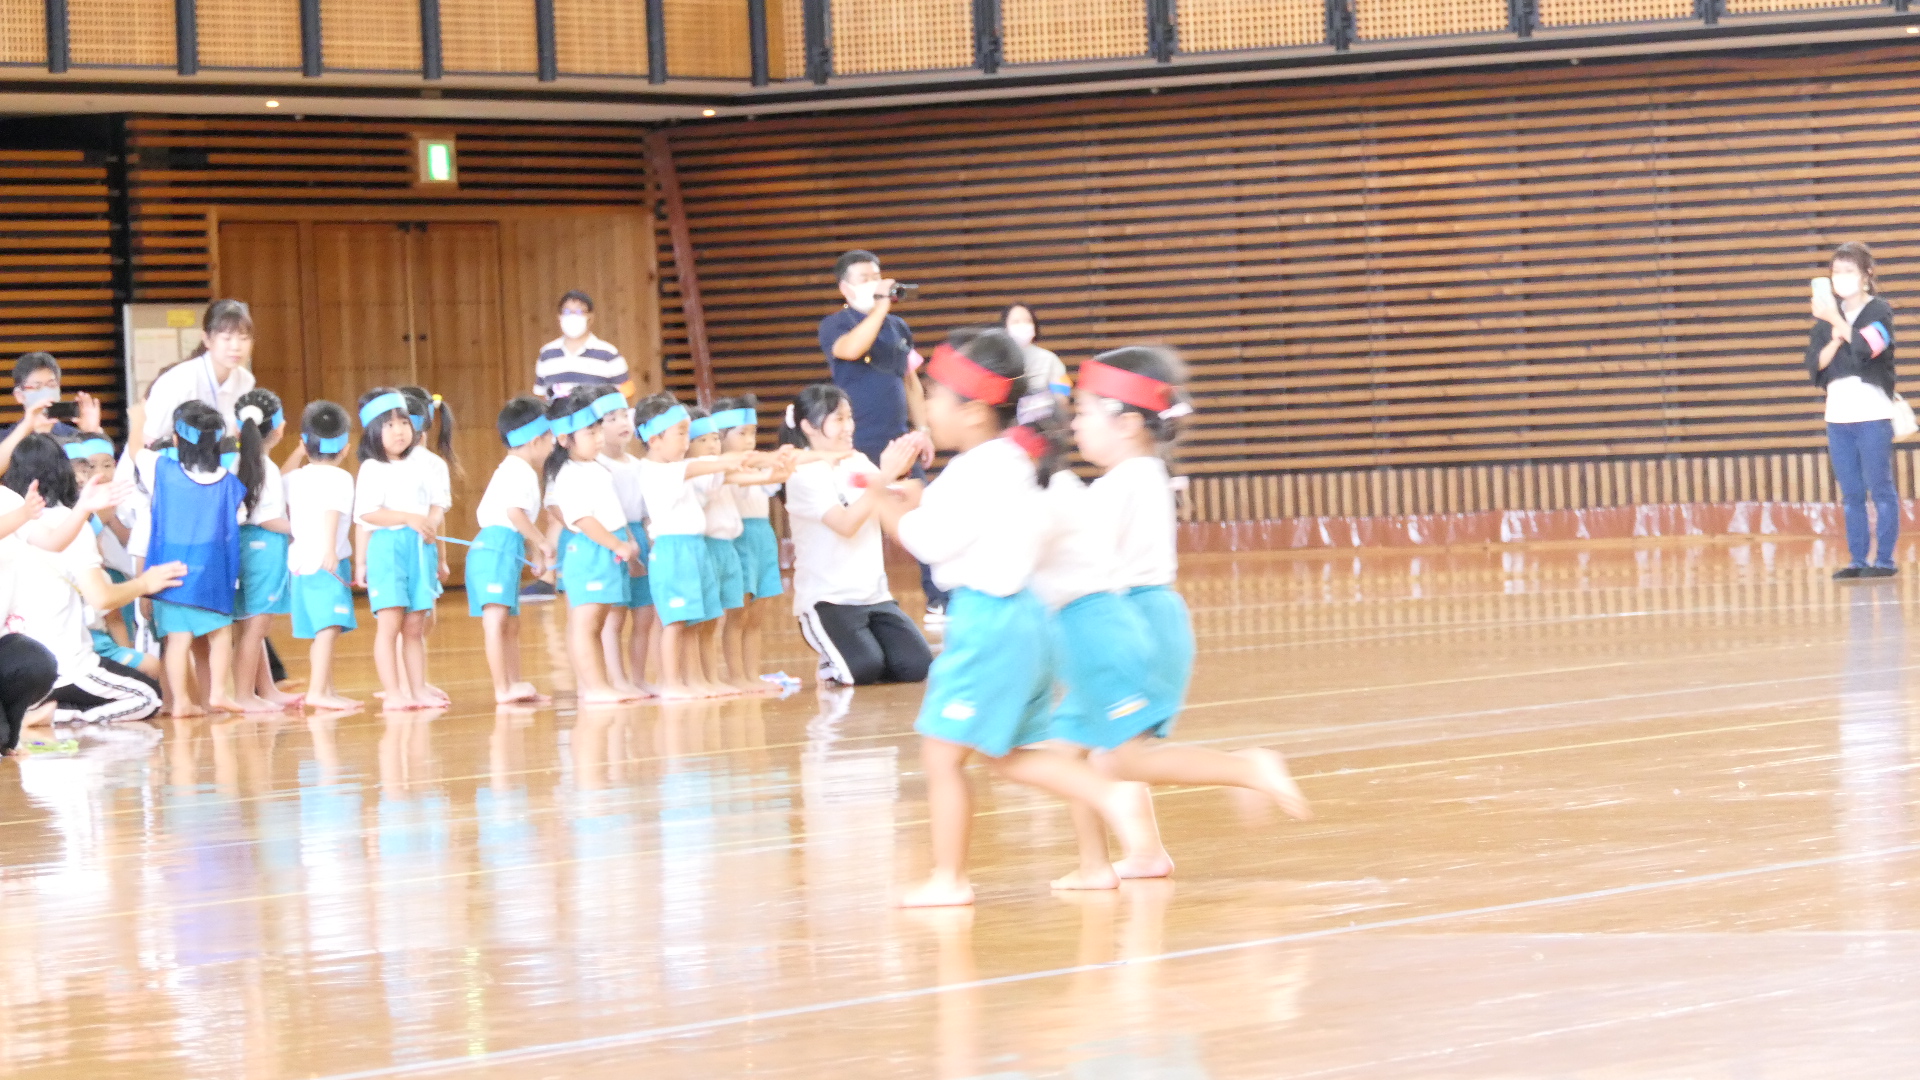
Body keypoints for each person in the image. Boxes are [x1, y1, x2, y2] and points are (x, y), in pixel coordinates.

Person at [864, 328, 1159, 908]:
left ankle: (951, 878)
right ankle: (1106, 798)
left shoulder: (975, 469)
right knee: (1005, 754)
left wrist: (876, 495)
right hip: (1026, 621)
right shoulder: (1014, 460)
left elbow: (928, 541)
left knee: (942, 754)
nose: (926, 407)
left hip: (989, 622)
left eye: (934, 395)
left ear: (973, 410)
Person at [1045, 346, 1310, 890]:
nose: (1075, 423)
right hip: (1136, 622)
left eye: (1084, 411)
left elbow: (1077, 556)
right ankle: (1136, 855)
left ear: (1127, 423)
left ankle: (1246, 769)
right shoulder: (1141, 475)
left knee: (1090, 755)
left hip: (1128, 626)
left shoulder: (1124, 483)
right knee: (1099, 752)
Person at [3, 435, 184, 725]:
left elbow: (53, 541)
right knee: (148, 697)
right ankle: (58, 716)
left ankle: (33, 712)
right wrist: (145, 583)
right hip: (65, 663)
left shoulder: (14, 519)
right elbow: (101, 599)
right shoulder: (61, 522)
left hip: (18, 666)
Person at [819, 250, 949, 623]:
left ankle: (939, 599)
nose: (874, 283)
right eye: (864, 278)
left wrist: (923, 429)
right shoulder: (835, 324)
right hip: (856, 443)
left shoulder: (898, 327)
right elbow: (851, 349)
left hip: (898, 438)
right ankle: (861, 602)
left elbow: (911, 382)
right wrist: (879, 308)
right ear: (845, 288)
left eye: (877, 276)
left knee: (923, 511)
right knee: (862, 518)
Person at [778, 384, 932, 686]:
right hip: (828, 601)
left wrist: (902, 478)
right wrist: (884, 478)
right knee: (863, 669)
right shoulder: (801, 473)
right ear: (808, 426)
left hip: (875, 596)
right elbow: (846, 524)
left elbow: (895, 498)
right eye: (838, 419)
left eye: (849, 417)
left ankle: (857, 651)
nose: (848, 426)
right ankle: (833, 660)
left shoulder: (856, 460)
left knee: (917, 666)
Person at [630, 394, 778, 699]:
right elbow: (712, 466)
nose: (687, 441)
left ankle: (699, 680)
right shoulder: (657, 469)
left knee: (699, 620)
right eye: (682, 433)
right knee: (676, 622)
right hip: (673, 550)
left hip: (694, 547)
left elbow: (721, 471)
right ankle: (672, 682)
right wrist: (742, 458)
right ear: (654, 439)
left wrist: (765, 466)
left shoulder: (678, 467)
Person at [133, 401, 248, 718]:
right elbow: (239, 517)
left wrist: (138, 419)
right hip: (212, 572)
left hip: (169, 570)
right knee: (221, 634)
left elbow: (134, 451)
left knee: (177, 640)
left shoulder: (161, 470)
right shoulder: (229, 482)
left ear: (176, 439)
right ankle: (218, 692)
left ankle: (181, 701)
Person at [545, 386, 649, 704]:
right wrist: (618, 545)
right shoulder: (569, 474)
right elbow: (584, 519)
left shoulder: (594, 467)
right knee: (586, 624)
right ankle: (593, 687)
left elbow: (612, 512)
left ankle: (601, 684)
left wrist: (626, 540)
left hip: (607, 551)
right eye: (590, 433)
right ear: (565, 439)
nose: (598, 438)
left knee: (599, 621)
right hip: (591, 552)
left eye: (597, 430)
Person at [1807, 242, 1900, 581]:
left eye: (1848, 271)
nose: (1840, 278)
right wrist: (1834, 334)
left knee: (1881, 488)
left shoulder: (1879, 310)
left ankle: (1884, 560)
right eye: (1836, 271)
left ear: (1866, 275)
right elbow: (1815, 365)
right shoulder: (1824, 322)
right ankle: (1857, 559)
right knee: (1852, 493)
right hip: (1838, 418)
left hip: (1872, 415)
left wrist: (1837, 321)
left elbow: (1868, 347)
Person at [353, 389, 439, 710]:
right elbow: (367, 514)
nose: (399, 430)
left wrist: (427, 525)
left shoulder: (421, 465)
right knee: (390, 626)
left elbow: (433, 506)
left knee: (414, 626)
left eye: (403, 422)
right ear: (373, 431)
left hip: (419, 549)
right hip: (388, 549)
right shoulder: (372, 468)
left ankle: (417, 690)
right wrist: (407, 518)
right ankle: (393, 693)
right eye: (389, 425)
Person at [470, 396, 558, 705]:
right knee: (496, 620)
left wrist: (531, 553)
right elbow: (515, 513)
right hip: (495, 548)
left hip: (506, 547)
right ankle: (502, 687)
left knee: (510, 622)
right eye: (550, 438)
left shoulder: (518, 469)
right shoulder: (519, 471)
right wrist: (542, 542)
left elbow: (519, 521)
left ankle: (514, 683)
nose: (554, 444)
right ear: (535, 441)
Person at [283, 401, 360, 711]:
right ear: (346, 448)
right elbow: (333, 510)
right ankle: (318, 691)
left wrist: (297, 453)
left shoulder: (295, 478)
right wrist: (330, 548)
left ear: (304, 443)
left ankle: (326, 690)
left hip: (300, 564)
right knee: (329, 627)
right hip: (327, 563)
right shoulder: (340, 478)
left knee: (322, 630)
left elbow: (280, 477)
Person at [229, 389, 300, 713]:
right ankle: (245, 695)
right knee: (255, 628)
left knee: (247, 624)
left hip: (242, 547)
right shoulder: (261, 465)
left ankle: (266, 688)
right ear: (279, 428)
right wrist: (303, 530)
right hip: (263, 549)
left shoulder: (240, 460)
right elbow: (268, 518)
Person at [596, 398, 656, 694]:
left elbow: (646, 511)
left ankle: (639, 678)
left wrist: (649, 541)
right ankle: (617, 679)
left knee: (645, 615)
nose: (622, 423)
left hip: (640, 537)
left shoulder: (638, 465)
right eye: (612, 418)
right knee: (615, 616)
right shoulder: (598, 466)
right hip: (615, 538)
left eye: (624, 416)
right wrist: (626, 544)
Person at [140, 300, 258, 445]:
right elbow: (149, 440)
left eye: (243, 338)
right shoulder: (179, 381)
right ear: (207, 339)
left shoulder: (245, 381)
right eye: (227, 338)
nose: (236, 346)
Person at [0, 352, 105, 475]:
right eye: (37, 387)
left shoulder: (73, 437)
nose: (45, 392)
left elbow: (102, 474)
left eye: (51, 385)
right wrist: (26, 427)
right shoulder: (5, 439)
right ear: (19, 395)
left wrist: (93, 433)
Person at [1000, 303, 1070, 398]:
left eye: (1028, 321)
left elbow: (1063, 393)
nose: (1022, 325)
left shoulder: (1050, 359)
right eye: (1016, 322)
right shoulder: (996, 360)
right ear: (1005, 328)